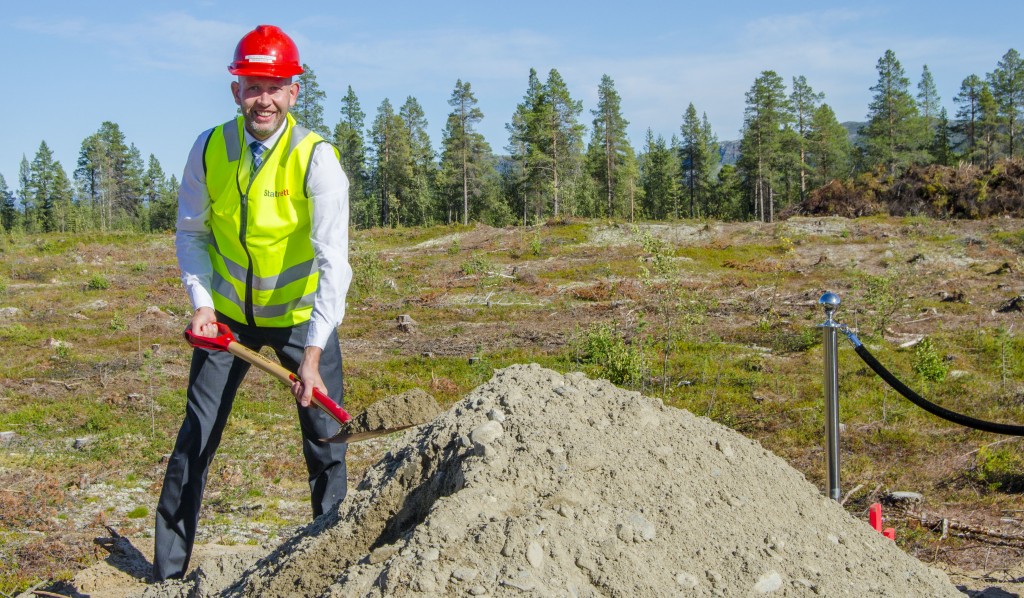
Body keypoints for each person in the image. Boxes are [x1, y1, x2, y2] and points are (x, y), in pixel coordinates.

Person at [153, 24, 352, 582]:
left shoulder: (317, 160)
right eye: (251, 84)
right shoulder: (210, 148)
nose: (262, 97)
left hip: (298, 320)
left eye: (274, 85)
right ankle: (168, 577)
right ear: (235, 89)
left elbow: (334, 263)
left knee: (326, 444)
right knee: (194, 440)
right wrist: (200, 302)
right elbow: (192, 233)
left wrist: (312, 355)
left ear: (294, 91)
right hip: (226, 321)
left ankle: (332, 568)